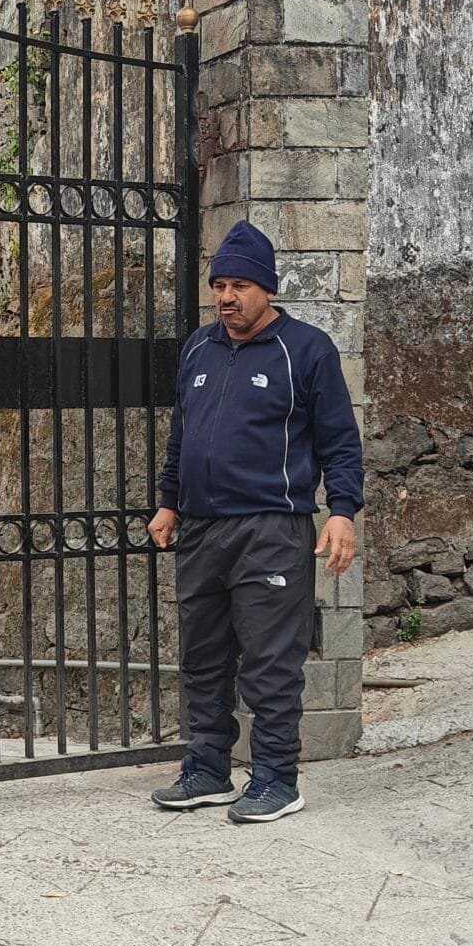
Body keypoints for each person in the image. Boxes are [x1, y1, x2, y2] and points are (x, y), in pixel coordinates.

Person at [149, 220, 363, 823]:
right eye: (219, 285)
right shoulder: (198, 348)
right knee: (203, 656)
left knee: (270, 661)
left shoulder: (307, 350)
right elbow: (182, 434)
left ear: (267, 287)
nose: (226, 297)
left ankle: (275, 777)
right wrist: (168, 501)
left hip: (271, 528)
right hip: (201, 530)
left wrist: (342, 511)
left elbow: (340, 442)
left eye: (239, 285)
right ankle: (207, 769)